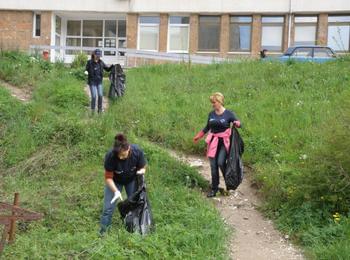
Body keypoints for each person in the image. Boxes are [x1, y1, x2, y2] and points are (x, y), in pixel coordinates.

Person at [193, 92, 241, 197]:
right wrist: (198, 135)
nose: (212, 104)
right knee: (213, 166)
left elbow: (238, 122)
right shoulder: (211, 114)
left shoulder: (228, 113)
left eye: (214, 102)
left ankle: (230, 183)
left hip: (224, 142)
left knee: (220, 162)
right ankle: (214, 189)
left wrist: (237, 123)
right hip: (213, 142)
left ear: (220, 102)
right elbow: (207, 127)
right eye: (212, 102)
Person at [100, 133, 147, 234]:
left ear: (129, 148)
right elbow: (108, 178)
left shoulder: (137, 152)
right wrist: (116, 191)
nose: (121, 158)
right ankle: (103, 233)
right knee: (108, 208)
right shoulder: (111, 156)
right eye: (119, 155)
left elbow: (142, 167)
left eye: (123, 155)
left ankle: (133, 230)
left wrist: (141, 172)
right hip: (115, 182)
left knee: (134, 205)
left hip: (131, 180)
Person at [85, 49, 111, 114]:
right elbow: (86, 69)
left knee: (100, 95)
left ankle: (100, 110)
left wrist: (113, 66)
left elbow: (107, 69)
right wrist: (86, 72)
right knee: (94, 96)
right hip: (92, 82)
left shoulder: (101, 62)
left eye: (99, 55)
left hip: (99, 82)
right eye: (97, 55)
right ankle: (92, 110)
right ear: (94, 54)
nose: (98, 56)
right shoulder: (89, 62)